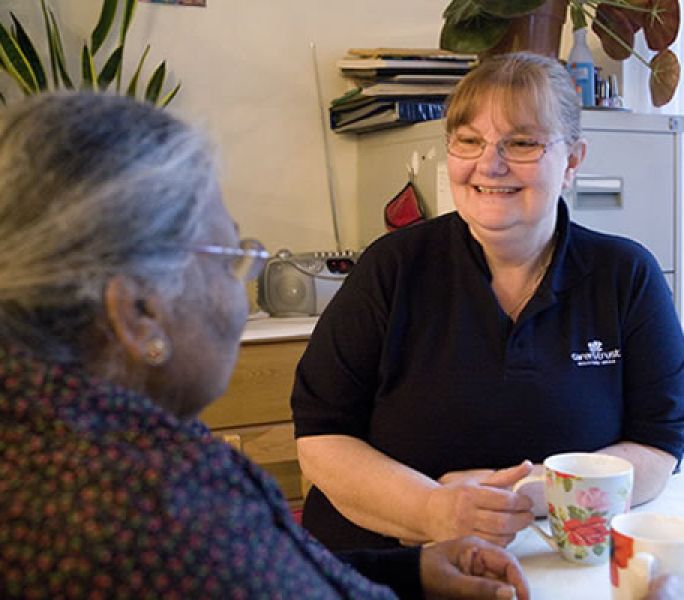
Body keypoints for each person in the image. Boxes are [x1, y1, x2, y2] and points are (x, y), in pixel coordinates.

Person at [0, 92, 530, 600]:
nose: (238, 293)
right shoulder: (159, 503)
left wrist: (412, 572)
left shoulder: (44, 441)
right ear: (139, 313)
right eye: (229, 260)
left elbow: (268, 571)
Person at [291, 52, 684, 552]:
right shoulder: (392, 268)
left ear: (573, 161)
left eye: (521, 143)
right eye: (469, 141)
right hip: (385, 564)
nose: (489, 164)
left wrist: (531, 493)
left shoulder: (625, 276)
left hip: (556, 560)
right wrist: (433, 509)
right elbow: (321, 438)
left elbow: (659, 445)